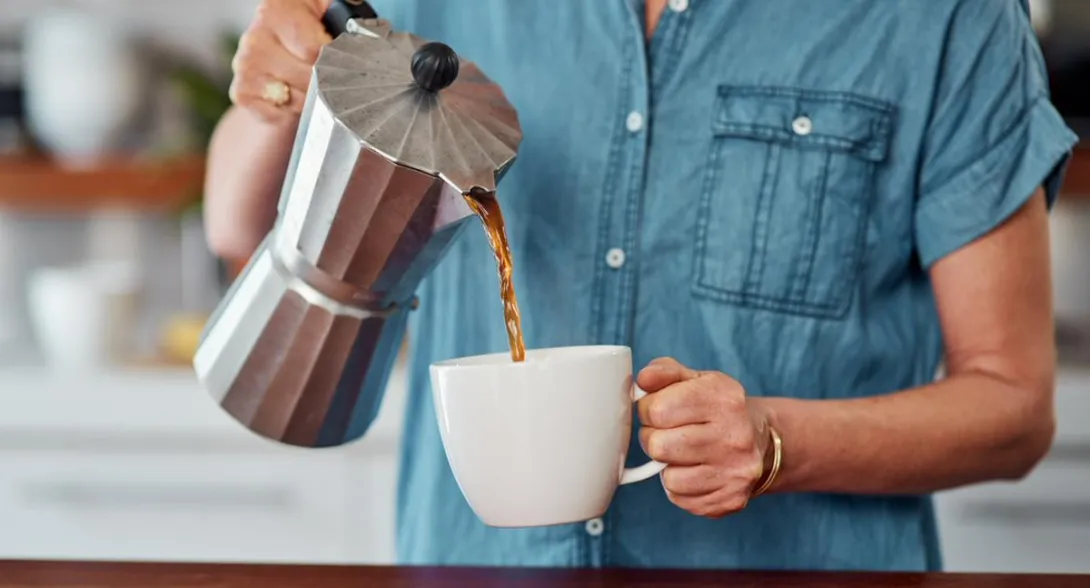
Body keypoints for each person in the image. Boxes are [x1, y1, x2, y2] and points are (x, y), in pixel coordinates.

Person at [204, 0, 1080, 572]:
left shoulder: (946, 21)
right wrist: (269, 96)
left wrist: (777, 441)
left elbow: (1010, 408)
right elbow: (239, 229)